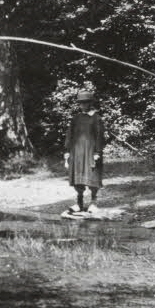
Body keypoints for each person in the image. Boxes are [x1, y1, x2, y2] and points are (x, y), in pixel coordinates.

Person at [64, 87, 105, 215]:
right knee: (78, 178)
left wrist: (97, 152)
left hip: (91, 152)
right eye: (81, 103)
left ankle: (93, 203)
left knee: (92, 177)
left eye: (86, 102)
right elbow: (69, 134)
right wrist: (67, 151)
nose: (83, 105)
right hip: (77, 152)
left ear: (90, 103)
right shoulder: (76, 118)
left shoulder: (96, 118)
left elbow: (100, 136)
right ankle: (79, 203)